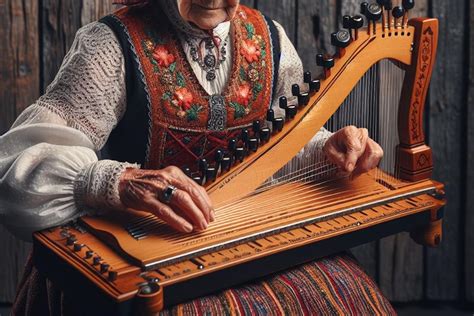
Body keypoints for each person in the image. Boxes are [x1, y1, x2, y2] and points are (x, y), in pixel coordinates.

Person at [0, 0, 391, 314]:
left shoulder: (271, 39)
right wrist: (115, 181)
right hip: (140, 251)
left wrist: (323, 148)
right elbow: (17, 162)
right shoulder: (109, 45)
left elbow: (280, 143)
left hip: (248, 237)